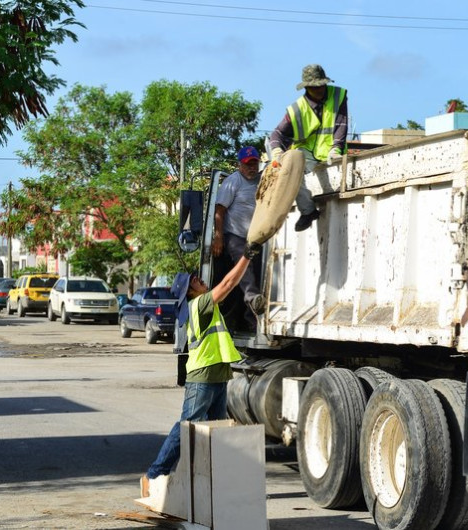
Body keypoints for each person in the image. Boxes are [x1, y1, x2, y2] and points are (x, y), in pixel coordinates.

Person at [141, 242, 262, 496]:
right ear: (191, 293)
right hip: (203, 376)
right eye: (195, 281)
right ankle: (153, 475)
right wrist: (246, 258)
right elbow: (228, 284)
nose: (200, 280)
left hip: (217, 375)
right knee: (187, 426)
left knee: (215, 433)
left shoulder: (203, 305)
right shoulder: (200, 305)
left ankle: (210, 485)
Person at [270, 63, 348, 232]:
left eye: (322, 85)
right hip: (306, 153)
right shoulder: (296, 110)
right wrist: (277, 152)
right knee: (290, 170)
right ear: (307, 88)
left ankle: (308, 210)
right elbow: (276, 135)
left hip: (331, 151)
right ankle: (308, 211)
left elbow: (341, 124)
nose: (320, 90)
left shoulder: (338, 95)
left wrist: (336, 148)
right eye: (315, 87)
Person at [213, 146, 264, 322]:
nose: (251, 167)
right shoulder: (233, 182)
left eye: (254, 163)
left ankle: (252, 318)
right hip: (234, 234)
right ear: (239, 165)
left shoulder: (263, 180)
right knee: (245, 263)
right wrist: (218, 237)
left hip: (255, 236)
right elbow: (219, 210)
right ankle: (252, 296)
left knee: (259, 272)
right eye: (247, 164)